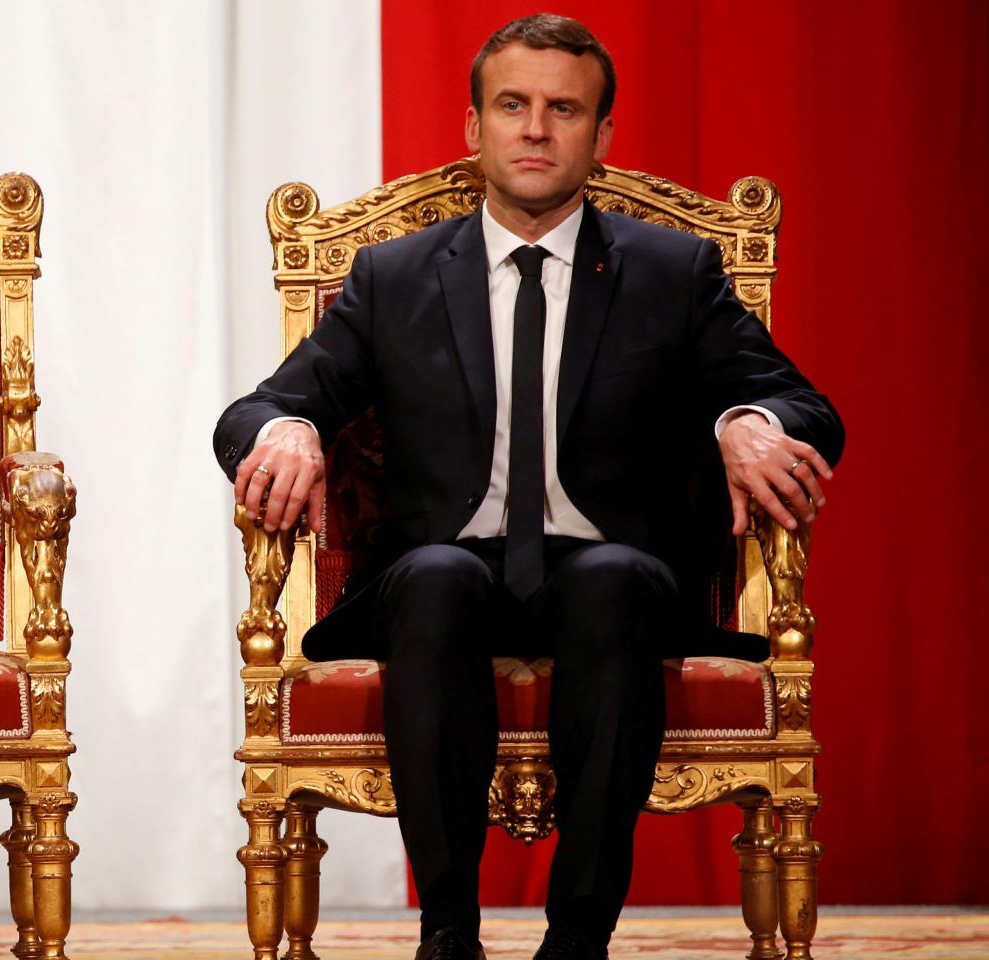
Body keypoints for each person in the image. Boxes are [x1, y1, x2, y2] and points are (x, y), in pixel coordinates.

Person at [212, 14, 844, 960]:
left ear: (601, 136)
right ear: (476, 128)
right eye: (513, 105)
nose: (537, 128)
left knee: (612, 578)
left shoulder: (672, 273)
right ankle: (448, 933)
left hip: (615, 588)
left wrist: (746, 422)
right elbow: (255, 411)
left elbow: (803, 406)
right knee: (436, 577)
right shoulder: (394, 276)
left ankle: (578, 938)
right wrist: (291, 428)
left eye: (563, 109)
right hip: (441, 583)